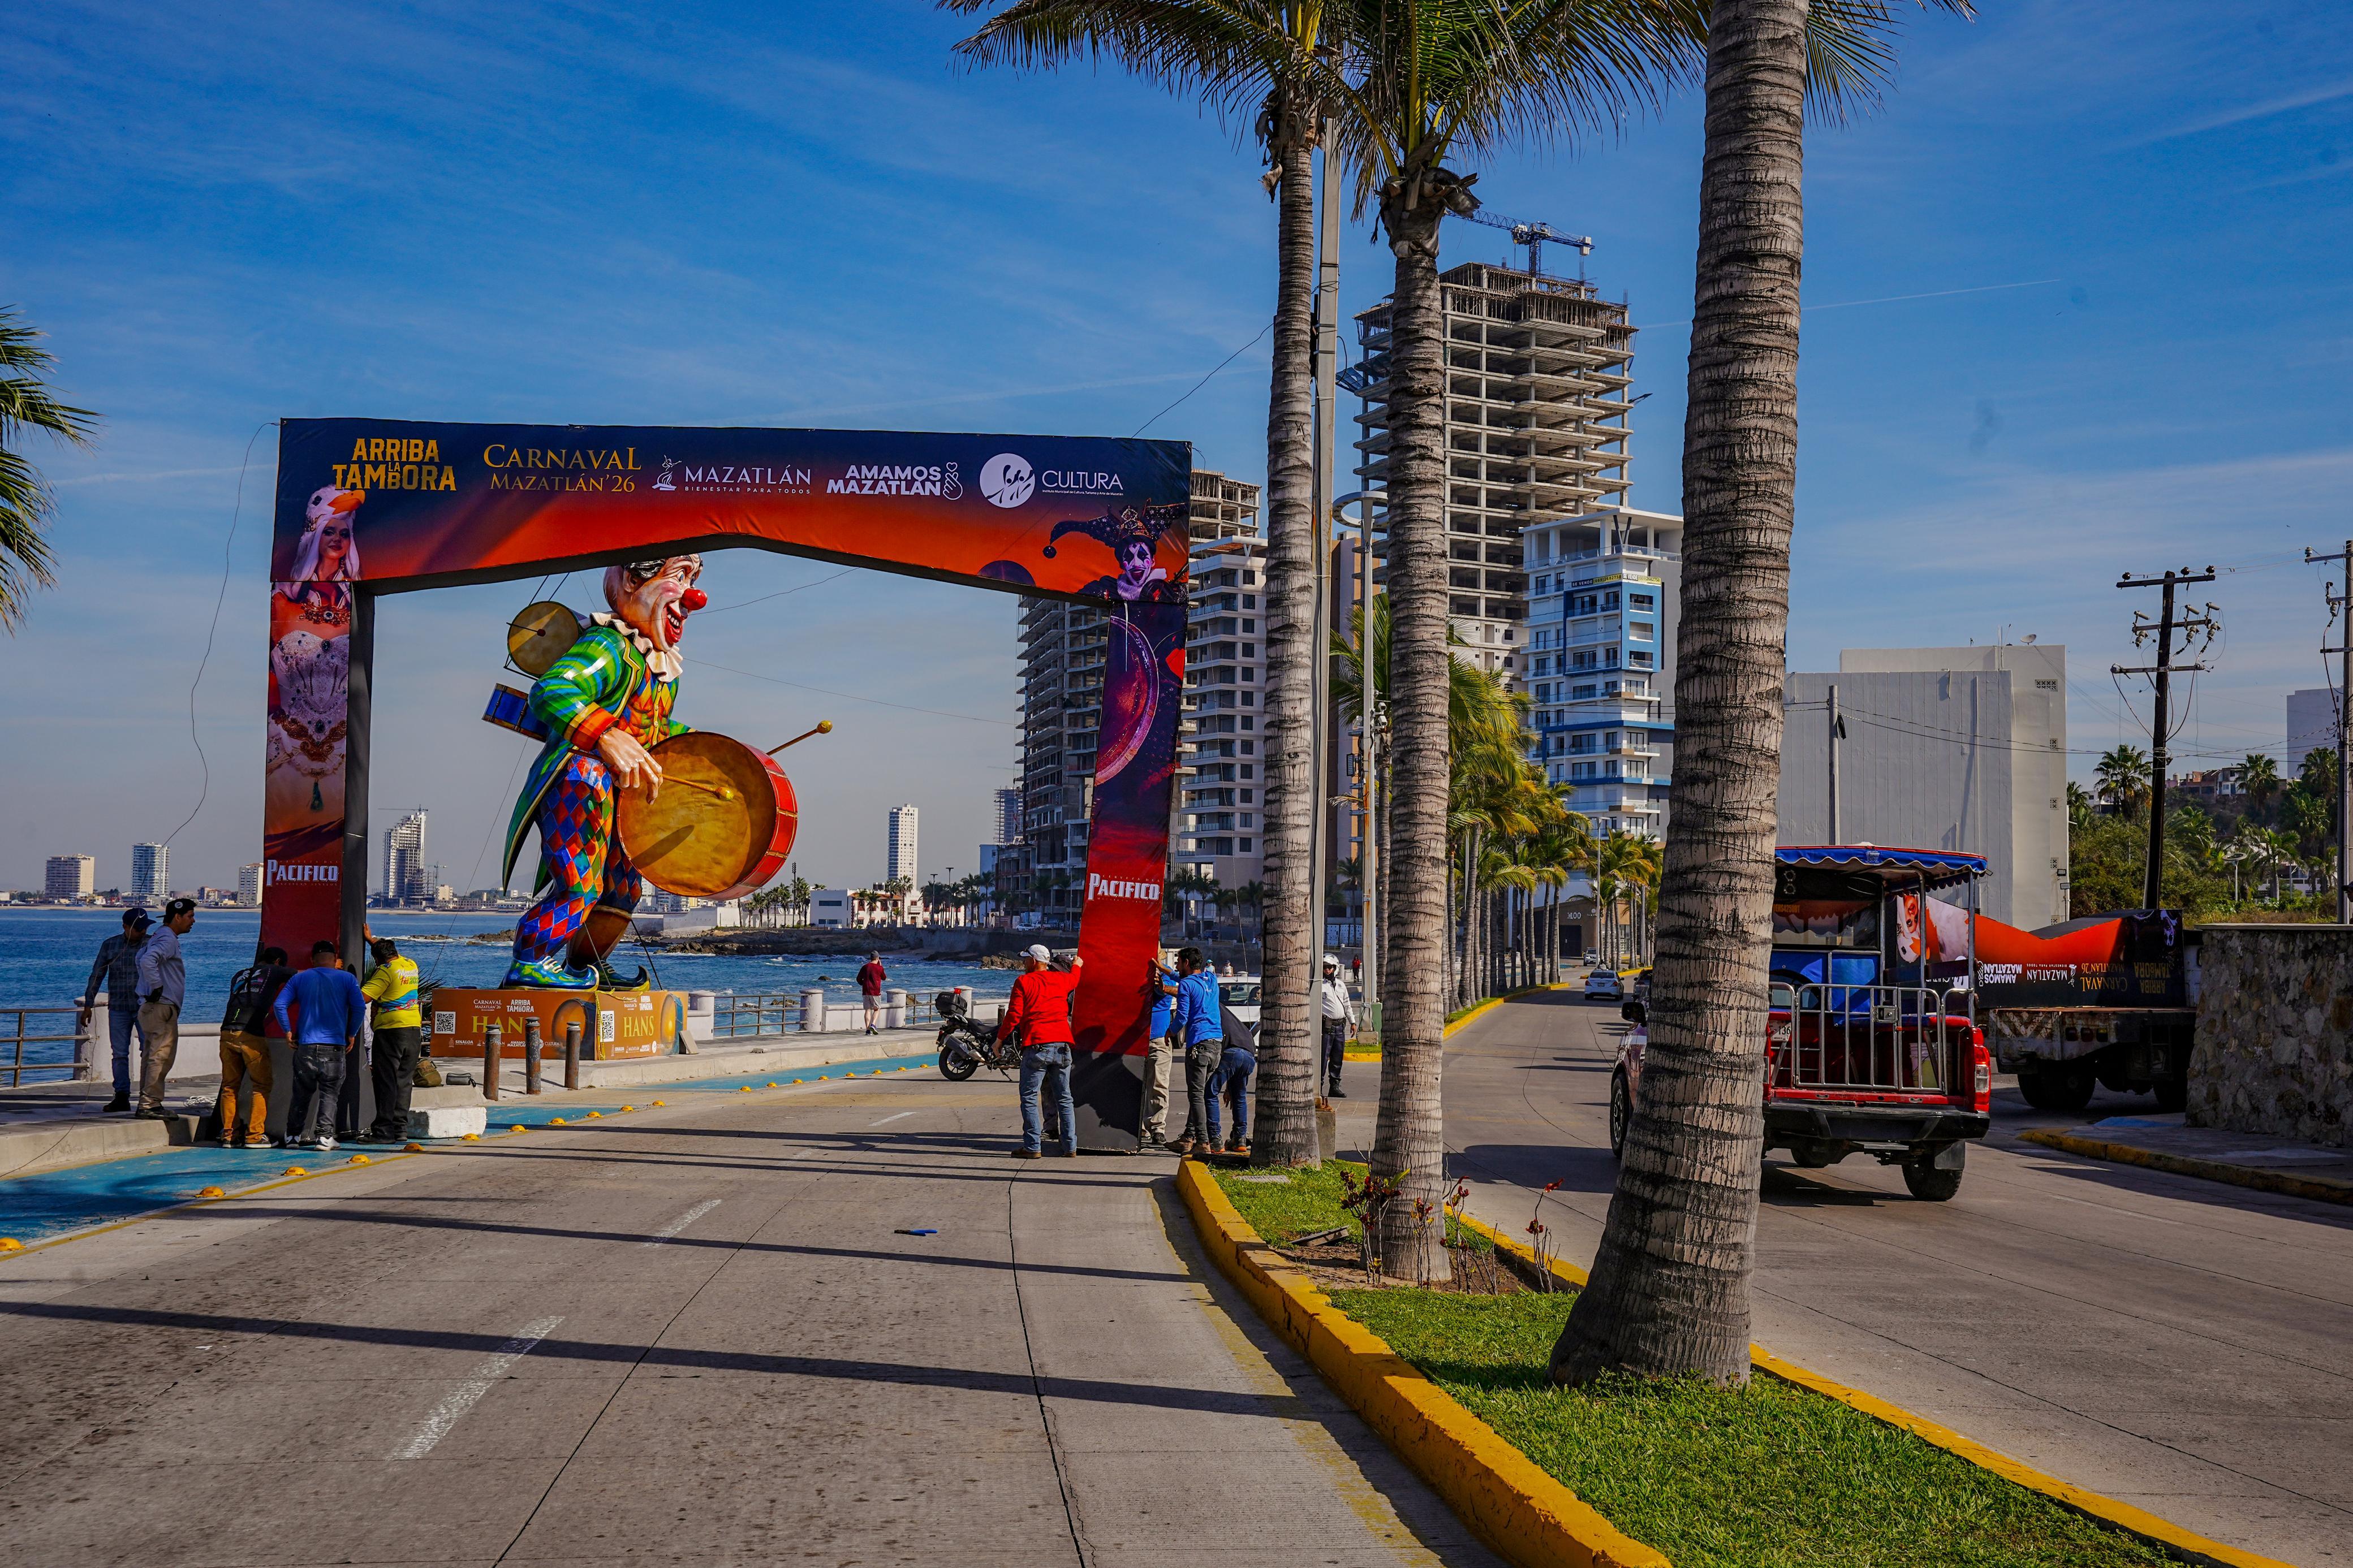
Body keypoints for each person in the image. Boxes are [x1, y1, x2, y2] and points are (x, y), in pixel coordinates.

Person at [501, 555, 706, 988]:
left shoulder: (664, 670)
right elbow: (554, 689)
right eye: (680, 576)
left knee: (621, 892)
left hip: (625, 795)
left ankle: (584, 966)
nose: (694, 597)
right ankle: (530, 961)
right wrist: (605, 735)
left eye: (694, 580)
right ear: (633, 579)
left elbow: (651, 728)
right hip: (582, 781)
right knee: (580, 883)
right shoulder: (610, 645)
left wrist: (698, 747)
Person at [274, 939, 367, 1152]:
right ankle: (324, 1137)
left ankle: (293, 1136)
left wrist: (288, 1031)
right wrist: (351, 1034)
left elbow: (280, 1004)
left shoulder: (300, 978)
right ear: (335, 959)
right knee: (330, 1093)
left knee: (301, 1093)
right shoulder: (347, 979)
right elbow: (359, 1008)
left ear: (312, 959)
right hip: (334, 1046)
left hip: (305, 1046)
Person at [997, 944, 1081, 1159]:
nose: (1024, 963)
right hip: (1063, 1045)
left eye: (1026, 960)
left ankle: (1033, 1147)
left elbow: (1014, 1015)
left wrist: (999, 1040)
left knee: (1029, 1096)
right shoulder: (1062, 980)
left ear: (1035, 962)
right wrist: (1078, 965)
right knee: (1065, 1097)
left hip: (1037, 1045)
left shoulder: (1024, 982)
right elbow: (1075, 979)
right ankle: (1070, 1147)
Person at [217, 946, 293, 1148]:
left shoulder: (240, 974)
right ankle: (255, 1136)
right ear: (277, 962)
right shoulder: (275, 971)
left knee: (230, 1086)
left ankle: (229, 1136)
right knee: (261, 1085)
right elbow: (304, 975)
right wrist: (331, 966)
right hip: (250, 1033)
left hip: (227, 1031)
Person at [78, 908, 152, 1113]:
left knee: (149, 1051)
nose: (142, 932)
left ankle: (149, 1096)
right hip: (118, 1007)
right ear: (125, 927)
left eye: (144, 928)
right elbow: (97, 975)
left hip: (145, 1007)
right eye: (137, 929)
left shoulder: (152, 945)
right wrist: (88, 1005)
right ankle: (121, 1096)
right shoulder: (110, 945)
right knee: (119, 1053)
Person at [356, 935, 423, 1144]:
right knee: (404, 1081)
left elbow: (363, 998)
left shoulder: (385, 971)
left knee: (386, 1081)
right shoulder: (410, 965)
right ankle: (400, 1129)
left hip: (391, 1030)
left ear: (378, 960)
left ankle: (383, 1131)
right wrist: (371, 940)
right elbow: (386, 952)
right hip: (413, 1029)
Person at [133, 899, 196, 1119]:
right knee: (161, 1056)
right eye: (190, 916)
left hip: (151, 1006)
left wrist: (147, 986)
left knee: (151, 1055)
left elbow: (140, 957)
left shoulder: (160, 936)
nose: (193, 921)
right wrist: (158, 987)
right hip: (161, 1006)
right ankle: (150, 1104)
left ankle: (146, 1101)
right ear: (177, 917)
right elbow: (147, 961)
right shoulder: (168, 939)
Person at [1167, 948, 1222, 1156]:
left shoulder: (1187, 985)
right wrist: (1163, 969)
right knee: (1199, 1095)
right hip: (1216, 1044)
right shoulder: (1211, 978)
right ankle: (1188, 1137)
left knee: (1196, 1096)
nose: (1177, 966)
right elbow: (1179, 977)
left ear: (1187, 963)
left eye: (1179, 962)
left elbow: (1182, 1017)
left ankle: (1203, 1141)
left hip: (1199, 1045)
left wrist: (1170, 1032)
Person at [1140, 952, 1180, 1148]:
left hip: (1157, 1037)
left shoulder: (1164, 976)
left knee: (1158, 1083)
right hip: (1137, 1038)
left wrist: (1159, 984)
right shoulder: (1137, 975)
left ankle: (1157, 1128)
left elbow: (1163, 991)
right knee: (1137, 1084)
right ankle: (1139, 1126)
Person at [1206, 1029, 1258, 1157]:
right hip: (1248, 1058)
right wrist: (1228, 1089)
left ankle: (1215, 1140)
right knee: (1240, 1096)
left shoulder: (1217, 1013)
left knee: (1210, 1093)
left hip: (1231, 1054)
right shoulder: (1237, 1024)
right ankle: (1240, 1138)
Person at [1319, 953, 1358, 1100]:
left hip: (1340, 1027)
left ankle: (1334, 1086)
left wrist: (1353, 1022)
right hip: (1326, 1027)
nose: (1327, 970)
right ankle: (1319, 1087)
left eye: (1330, 967)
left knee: (1337, 1058)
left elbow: (1347, 1004)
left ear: (1335, 968)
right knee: (1323, 1058)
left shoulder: (1341, 985)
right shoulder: (1318, 984)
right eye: (1325, 967)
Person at [857, 952, 887, 1035]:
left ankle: (867, 1030)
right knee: (877, 1009)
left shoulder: (865, 967)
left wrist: (864, 984)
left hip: (866, 991)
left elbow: (858, 979)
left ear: (870, 958)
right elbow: (884, 978)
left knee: (867, 1010)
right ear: (878, 958)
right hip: (875, 992)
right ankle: (873, 1024)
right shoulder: (879, 968)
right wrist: (881, 966)